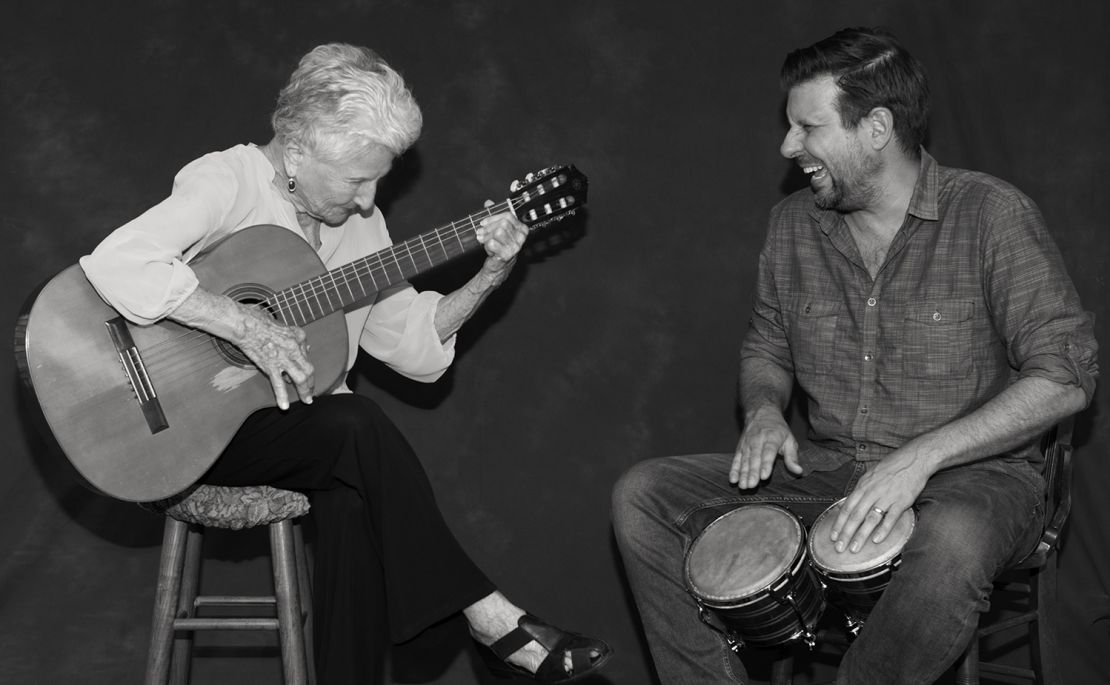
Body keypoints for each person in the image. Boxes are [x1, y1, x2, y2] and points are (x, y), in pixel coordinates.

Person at [79, 43, 611, 684]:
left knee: (357, 488)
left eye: (380, 178)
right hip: (182, 425)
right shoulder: (228, 180)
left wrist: (491, 275)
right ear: (298, 149)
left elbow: (414, 346)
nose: (368, 199)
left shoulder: (363, 228)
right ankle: (489, 615)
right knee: (355, 426)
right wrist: (241, 321)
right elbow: (118, 261)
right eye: (358, 178)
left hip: (301, 434)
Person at [612, 26, 1097, 685]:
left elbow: (1067, 377)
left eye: (807, 127)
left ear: (876, 128)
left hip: (979, 477)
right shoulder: (792, 224)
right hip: (831, 469)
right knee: (643, 495)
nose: (789, 147)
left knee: (950, 539)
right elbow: (766, 346)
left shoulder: (991, 214)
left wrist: (921, 457)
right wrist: (763, 408)